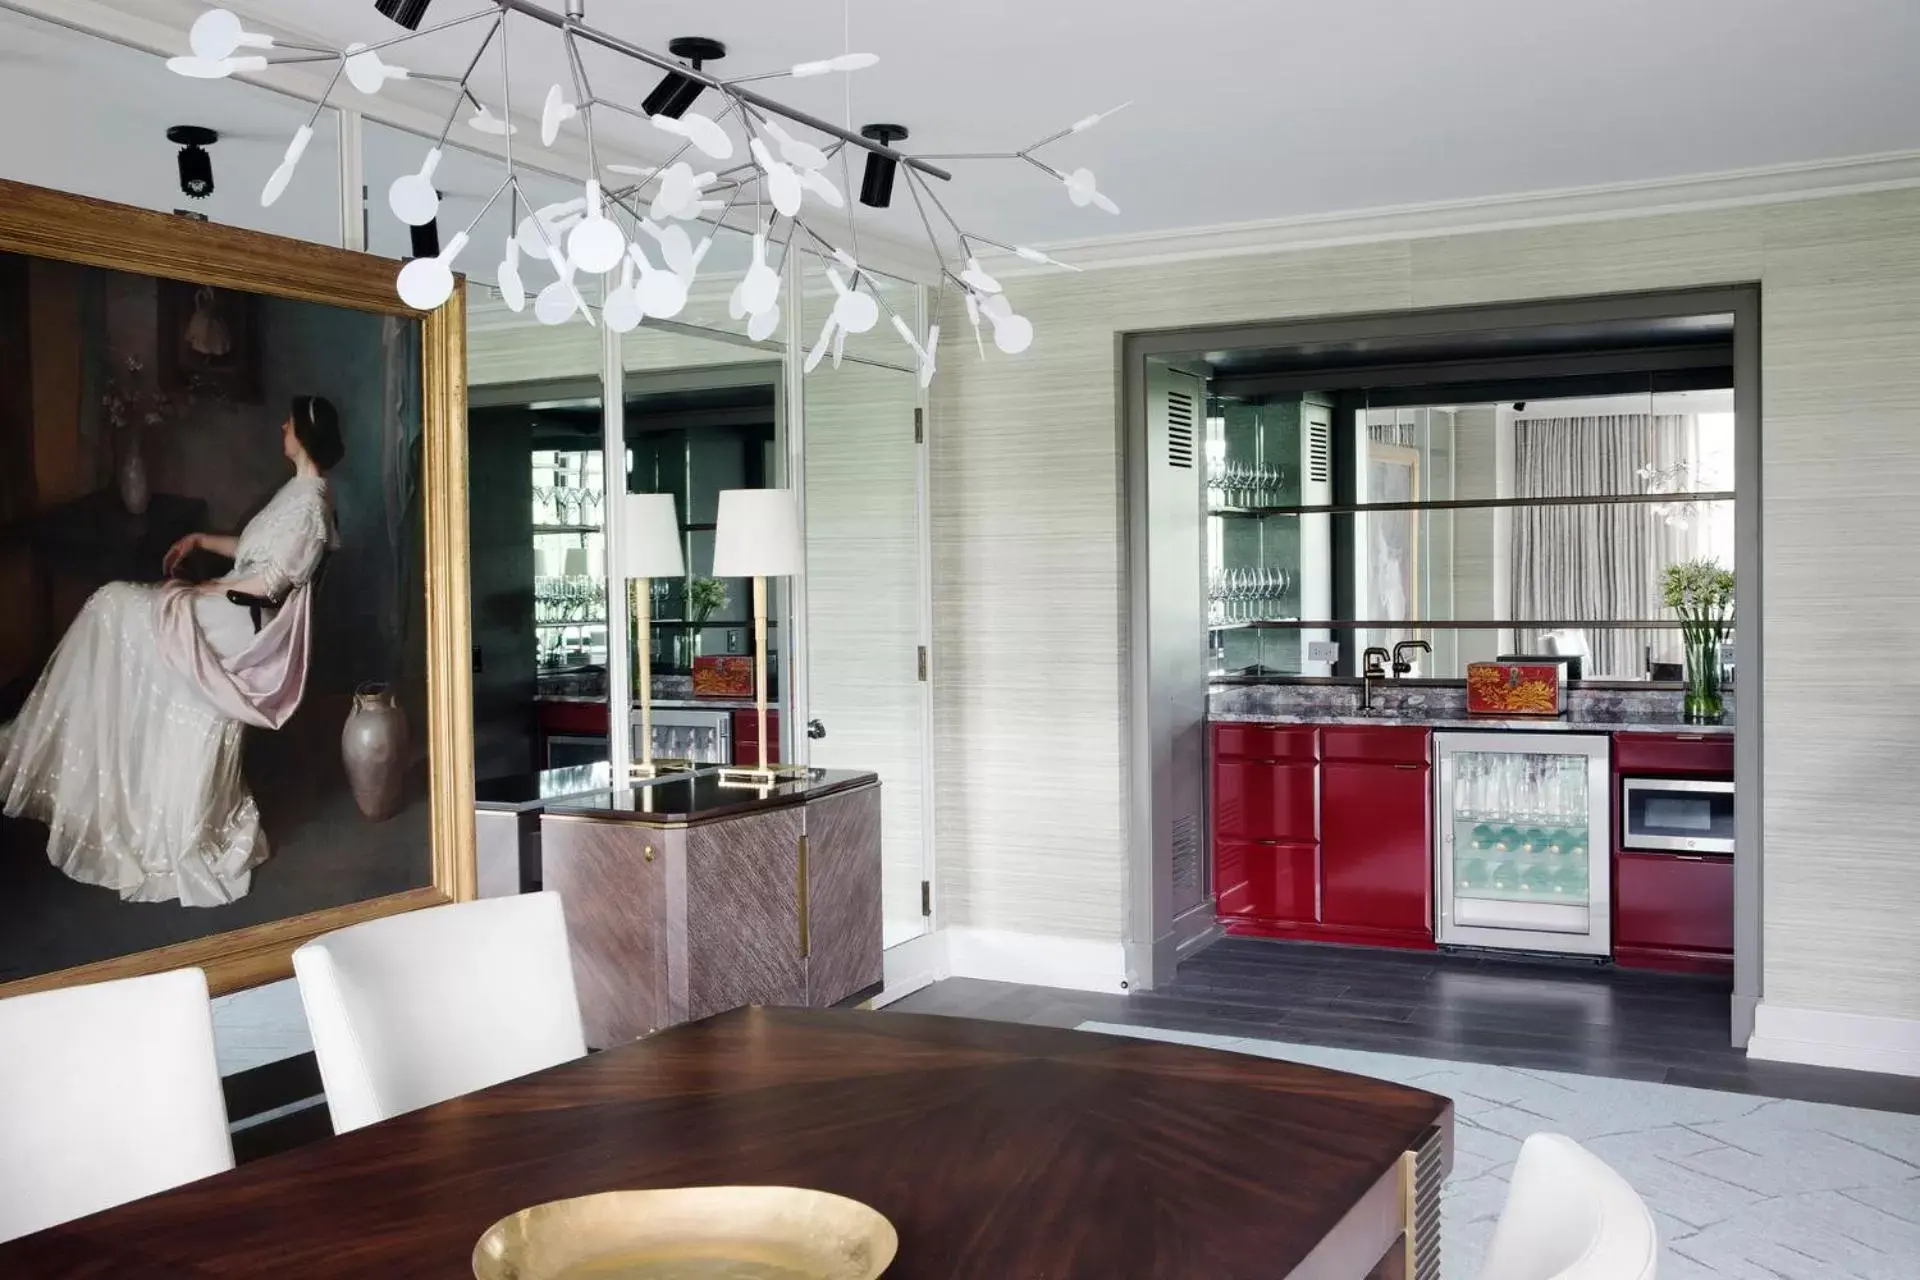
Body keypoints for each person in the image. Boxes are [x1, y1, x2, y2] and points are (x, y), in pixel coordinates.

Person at [0, 395, 344, 906]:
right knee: (109, 607)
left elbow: (270, 584)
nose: (281, 427)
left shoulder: (313, 505)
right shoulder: (296, 491)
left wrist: (199, 591)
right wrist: (201, 539)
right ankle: (89, 766)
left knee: (111, 605)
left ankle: (96, 773)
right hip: (231, 600)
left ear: (304, 437)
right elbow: (252, 550)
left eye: (289, 424)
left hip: (245, 621)